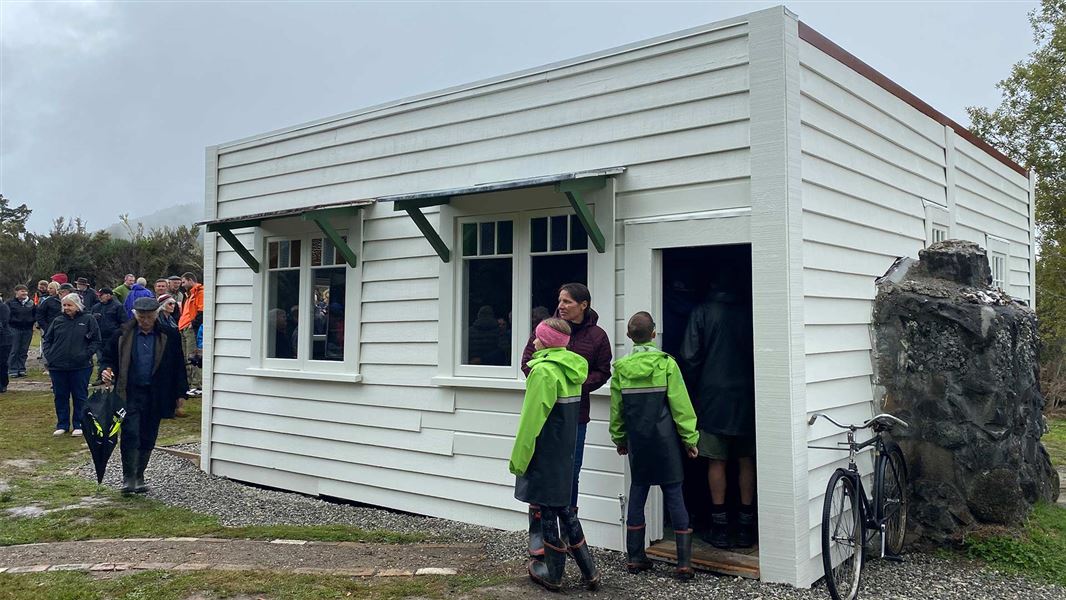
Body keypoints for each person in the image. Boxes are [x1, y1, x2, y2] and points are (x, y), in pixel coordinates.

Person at [520, 282, 611, 556]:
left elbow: (603, 371)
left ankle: (569, 532)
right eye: (560, 300)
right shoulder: (546, 328)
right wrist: (551, 383)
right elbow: (527, 361)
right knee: (542, 471)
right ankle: (539, 532)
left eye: (568, 301)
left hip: (576, 417)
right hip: (545, 415)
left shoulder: (597, 336)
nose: (561, 306)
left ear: (584, 305)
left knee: (571, 473)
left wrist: (576, 384)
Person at [510, 317, 599, 592]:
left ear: (546, 341)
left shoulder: (544, 373)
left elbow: (531, 422)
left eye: (537, 337)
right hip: (565, 452)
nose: (534, 341)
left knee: (547, 510)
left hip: (545, 453)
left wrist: (519, 460)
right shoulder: (573, 369)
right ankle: (589, 572)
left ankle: (553, 573)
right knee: (564, 508)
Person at [610, 312, 700, 579]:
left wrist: (620, 438)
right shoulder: (666, 365)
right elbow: (681, 406)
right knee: (674, 494)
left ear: (629, 336)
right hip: (666, 443)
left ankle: (635, 558)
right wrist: (690, 439)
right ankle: (684, 563)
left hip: (639, 443)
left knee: (638, 492)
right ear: (654, 334)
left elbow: (618, 411)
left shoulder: (621, 369)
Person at [679, 267, 756, 549]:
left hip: (712, 395)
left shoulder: (701, 312)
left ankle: (720, 527)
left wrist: (688, 392)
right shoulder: (751, 311)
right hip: (748, 393)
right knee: (747, 458)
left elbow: (690, 356)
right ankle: (747, 527)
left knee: (716, 460)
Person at [101, 297, 188, 494]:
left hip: (157, 393)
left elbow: (178, 366)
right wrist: (106, 370)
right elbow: (108, 358)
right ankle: (128, 477)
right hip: (129, 391)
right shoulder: (122, 334)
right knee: (130, 433)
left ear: (156, 315)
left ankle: (140, 475)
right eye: (141, 317)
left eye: (149, 317)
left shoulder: (169, 335)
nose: (145, 321)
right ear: (135, 315)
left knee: (149, 435)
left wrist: (180, 392)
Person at [43, 294, 101, 437]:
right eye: (65, 305)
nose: (67, 308)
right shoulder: (58, 320)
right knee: (60, 396)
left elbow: (96, 340)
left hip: (80, 366)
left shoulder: (88, 319)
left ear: (77, 305)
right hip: (57, 366)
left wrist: (85, 354)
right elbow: (47, 339)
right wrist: (50, 355)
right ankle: (62, 424)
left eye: (70, 305)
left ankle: (79, 424)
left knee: (79, 395)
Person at [89, 288, 127, 381]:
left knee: (112, 358)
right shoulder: (96, 307)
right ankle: (101, 377)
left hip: (112, 338)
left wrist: (118, 334)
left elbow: (124, 322)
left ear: (109, 295)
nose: (99, 297)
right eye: (99, 295)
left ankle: (113, 376)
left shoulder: (118, 306)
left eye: (101, 295)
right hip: (99, 337)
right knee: (100, 358)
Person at [178, 272, 204, 397]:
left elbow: (202, 311)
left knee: (194, 357)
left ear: (190, 280)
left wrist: (193, 324)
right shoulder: (188, 295)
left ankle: (197, 385)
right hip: (183, 326)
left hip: (190, 327)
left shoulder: (199, 292)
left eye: (183, 282)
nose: (182, 285)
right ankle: (189, 384)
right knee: (186, 358)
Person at [7, 285, 36, 379]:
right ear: (16, 292)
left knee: (24, 350)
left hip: (27, 329)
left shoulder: (31, 303)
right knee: (14, 350)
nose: (24, 293)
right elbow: (7, 315)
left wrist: (32, 321)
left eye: (25, 291)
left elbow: (35, 314)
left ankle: (21, 368)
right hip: (14, 328)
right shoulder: (10, 303)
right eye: (22, 291)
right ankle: (13, 369)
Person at [36, 281, 63, 373]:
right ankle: (47, 366)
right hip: (49, 327)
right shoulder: (47, 301)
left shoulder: (64, 301)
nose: (49, 290)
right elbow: (40, 315)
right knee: (47, 347)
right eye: (48, 288)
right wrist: (45, 327)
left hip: (61, 328)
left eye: (51, 288)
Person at [0, 296, 10, 393]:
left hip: (3, 340)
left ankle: (3, 384)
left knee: (2, 362)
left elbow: (3, 322)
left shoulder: (3, 307)